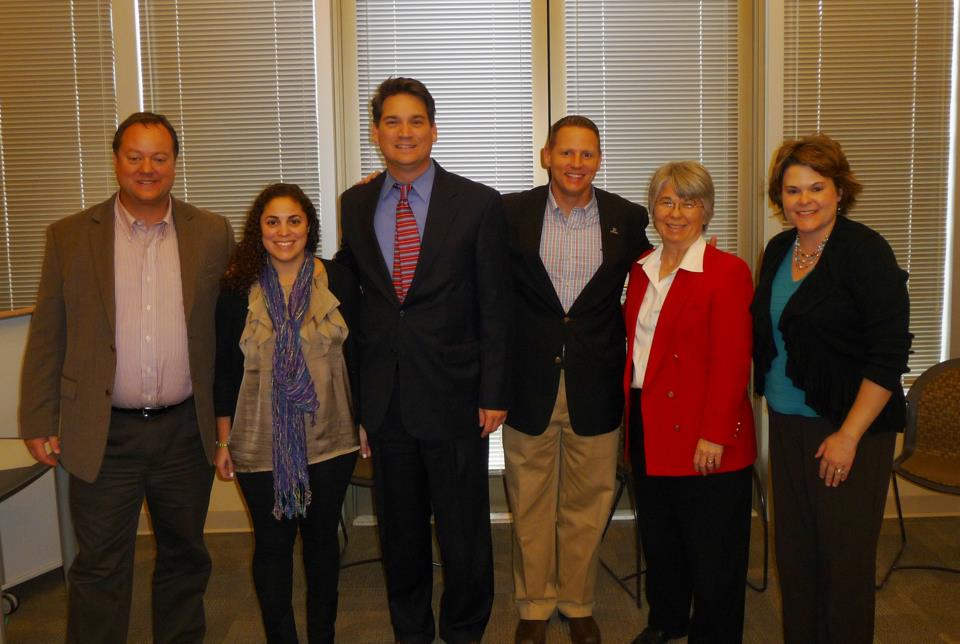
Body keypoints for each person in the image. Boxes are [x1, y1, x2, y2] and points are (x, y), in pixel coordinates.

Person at [18, 111, 235, 643]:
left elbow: (244, 312)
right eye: (134, 156)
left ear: (175, 164)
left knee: (185, 557)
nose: (147, 168)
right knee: (98, 567)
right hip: (102, 430)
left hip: (186, 430)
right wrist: (38, 418)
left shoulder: (211, 232)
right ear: (116, 161)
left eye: (159, 157)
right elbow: (49, 331)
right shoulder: (70, 236)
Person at [336, 77, 511, 644]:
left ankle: (464, 632)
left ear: (433, 130)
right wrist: (359, 402)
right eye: (392, 121)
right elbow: (363, 303)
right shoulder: (357, 202)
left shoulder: (478, 203)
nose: (404, 132)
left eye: (416, 121)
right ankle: (411, 631)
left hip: (457, 395)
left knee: (464, 534)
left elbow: (494, 301)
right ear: (376, 132)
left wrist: (494, 391)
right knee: (400, 534)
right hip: (386, 401)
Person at [752, 134, 911, 644]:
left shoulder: (865, 252)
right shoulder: (778, 250)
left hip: (850, 429)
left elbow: (888, 357)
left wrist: (848, 436)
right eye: (793, 190)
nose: (804, 200)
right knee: (795, 557)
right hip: (788, 422)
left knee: (842, 563)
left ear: (839, 190)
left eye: (816, 187)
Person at [502, 115, 651, 644]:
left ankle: (578, 600)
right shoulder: (510, 212)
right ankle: (535, 605)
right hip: (528, 383)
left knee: (587, 504)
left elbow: (653, 279)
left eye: (587, 154)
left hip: (597, 381)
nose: (576, 164)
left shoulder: (627, 218)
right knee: (530, 503)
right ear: (546, 156)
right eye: (566, 153)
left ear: (599, 160)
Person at [213, 183, 361, 643]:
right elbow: (224, 368)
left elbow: (359, 357)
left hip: (331, 436)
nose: (283, 231)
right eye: (272, 221)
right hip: (259, 439)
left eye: (293, 220)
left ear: (309, 226)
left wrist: (364, 422)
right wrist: (223, 441)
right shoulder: (238, 289)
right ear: (258, 230)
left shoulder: (336, 280)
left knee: (321, 547)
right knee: (273, 547)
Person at [623, 161, 756, 644]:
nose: (676, 212)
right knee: (662, 539)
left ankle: (715, 635)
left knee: (713, 549)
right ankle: (667, 621)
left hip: (704, 429)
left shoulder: (726, 272)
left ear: (707, 211)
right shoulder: (641, 270)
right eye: (666, 201)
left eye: (689, 202)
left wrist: (714, 433)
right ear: (653, 208)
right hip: (649, 421)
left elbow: (732, 360)